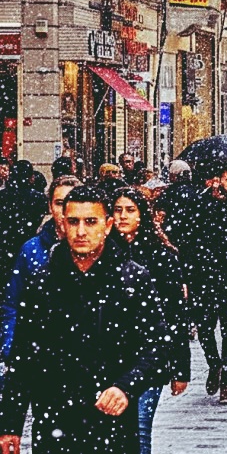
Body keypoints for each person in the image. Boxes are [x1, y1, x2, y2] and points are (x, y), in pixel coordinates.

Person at [0, 185, 169, 454]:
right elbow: (23, 358)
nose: (81, 231)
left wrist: (125, 387)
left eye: (90, 222)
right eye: (74, 222)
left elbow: (158, 347)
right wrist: (10, 424)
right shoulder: (43, 282)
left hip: (112, 422)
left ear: (107, 224)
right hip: (55, 420)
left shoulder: (132, 279)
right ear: (63, 224)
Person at [109, 188, 190, 449]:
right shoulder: (102, 252)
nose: (122, 216)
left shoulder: (161, 255)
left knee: (140, 431)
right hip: (110, 359)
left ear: (142, 215)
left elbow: (176, 315)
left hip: (148, 358)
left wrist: (179, 368)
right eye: (118, 209)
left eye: (130, 210)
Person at [176, 159, 227, 404]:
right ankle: (214, 364)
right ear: (216, 180)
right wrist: (186, 277)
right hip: (203, 277)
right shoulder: (199, 204)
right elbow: (187, 242)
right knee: (205, 329)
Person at [0, 176, 81, 374]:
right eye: (60, 203)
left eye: (72, 202)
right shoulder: (31, 250)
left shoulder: (98, 250)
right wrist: (11, 348)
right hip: (41, 360)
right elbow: (12, 304)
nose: (64, 211)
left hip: (85, 361)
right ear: (50, 206)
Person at [0, 160, 49, 283]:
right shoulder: (39, 198)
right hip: (30, 244)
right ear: (30, 177)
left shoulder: (3, 196)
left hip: (5, 247)